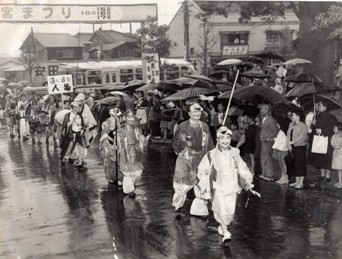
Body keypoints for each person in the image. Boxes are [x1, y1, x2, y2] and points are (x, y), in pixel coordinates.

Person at [195, 126, 253, 242]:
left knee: (230, 212)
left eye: (227, 138)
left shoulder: (235, 152)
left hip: (232, 186)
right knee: (220, 209)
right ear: (217, 139)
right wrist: (206, 172)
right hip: (219, 187)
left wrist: (247, 179)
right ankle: (226, 232)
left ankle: (222, 226)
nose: (225, 141)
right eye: (222, 138)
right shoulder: (211, 154)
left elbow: (242, 167)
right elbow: (202, 169)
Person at [171, 103, 214, 214]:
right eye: (194, 112)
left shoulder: (205, 126)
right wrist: (184, 145)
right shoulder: (183, 126)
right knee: (183, 183)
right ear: (189, 113)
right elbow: (176, 142)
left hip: (201, 159)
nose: (197, 114)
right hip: (186, 160)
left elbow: (209, 144)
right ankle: (178, 204)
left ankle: (199, 210)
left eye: (199, 112)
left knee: (201, 183)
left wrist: (211, 157)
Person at [117, 109, 150, 196]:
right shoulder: (120, 129)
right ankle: (129, 190)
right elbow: (118, 142)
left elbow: (140, 140)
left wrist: (143, 142)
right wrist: (120, 151)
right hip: (125, 152)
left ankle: (131, 185)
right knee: (127, 172)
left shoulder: (136, 129)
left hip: (135, 151)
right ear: (125, 118)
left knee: (138, 171)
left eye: (132, 117)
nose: (131, 119)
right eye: (129, 117)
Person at [309, 99, 337, 181]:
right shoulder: (316, 116)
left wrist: (322, 131)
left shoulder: (331, 117)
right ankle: (322, 174)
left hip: (327, 140)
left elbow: (332, 128)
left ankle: (327, 176)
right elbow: (312, 128)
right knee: (319, 156)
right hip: (318, 139)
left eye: (319, 105)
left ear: (325, 107)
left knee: (327, 158)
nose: (318, 106)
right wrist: (313, 124)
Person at [99, 107, 123, 185]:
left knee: (118, 160)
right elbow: (104, 134)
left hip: (118, 142)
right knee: (110, 160)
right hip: (109, 143)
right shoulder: (106, 123)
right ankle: (112, 177)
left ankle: (118, 178)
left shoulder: (121, 122)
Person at [60, 102, 85, 170]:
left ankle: (80, 164)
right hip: (72, 136)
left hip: (79, 135)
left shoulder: (80, 115)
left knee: (81, 150)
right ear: (73, 107)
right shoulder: (68, 115)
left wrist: (82, 130)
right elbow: (66, 125)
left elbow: (82, 124)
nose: (79, 108)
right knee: (68, 151)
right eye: (77, 107)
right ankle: (63, 163)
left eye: (79, 107)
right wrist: (72, 121)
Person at [287, 110, 308, 189]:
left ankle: (301, 182)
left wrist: (292, 142)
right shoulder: (291, 124)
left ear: (298, 117)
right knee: (294, 164)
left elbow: (302, 137)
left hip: (300, 147)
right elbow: (288, 135)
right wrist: (288, 144)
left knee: (300, 165)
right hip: (292, 147)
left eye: (293, 115)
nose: (292, 117)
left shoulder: (303, 126)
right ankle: (296, 181)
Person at [259, 103, 278, 181]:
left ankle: (269, 175)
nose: (261, 110)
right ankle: (265, 173)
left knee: (268, 158)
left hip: (267, 142)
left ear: (267, 110)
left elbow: (275, 130)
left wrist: (269, 138)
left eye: (263, 109)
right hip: (264, 141)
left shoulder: (270, 119)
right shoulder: (264, 118)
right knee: (264, 158)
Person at [331, 122, 342, 188]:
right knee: (339, 168)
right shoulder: (333, 136)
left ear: (339, 128)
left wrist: (339, 146)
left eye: (335, 128)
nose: (333, 129)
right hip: (336, 153)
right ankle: (340, 181)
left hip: (341, 153)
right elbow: (332, 143)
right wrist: (335, 146)